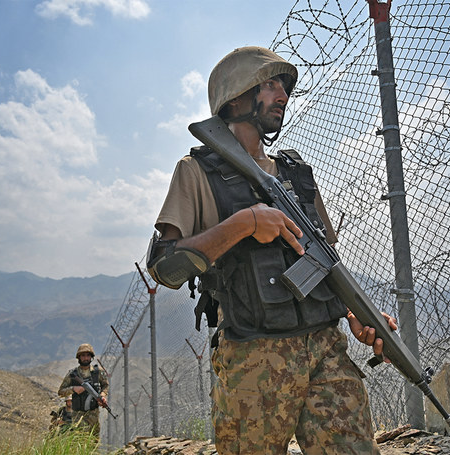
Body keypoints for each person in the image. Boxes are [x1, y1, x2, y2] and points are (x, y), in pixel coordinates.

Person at [147, 46, 397, 455]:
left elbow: (322, 260)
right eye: (269, 84)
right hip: (253, 358)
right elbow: (165, 268)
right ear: (235, 98)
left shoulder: (296, 174)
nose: (282, 95)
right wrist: (244, 223)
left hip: (326, 351)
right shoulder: (196, 172)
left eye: (283, 86)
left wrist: (354, 312)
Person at [58, 343, 109, 436]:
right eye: (83, 355)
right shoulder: (73, 374)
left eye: (88, 355)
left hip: (93, 414)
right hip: (78, 414)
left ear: (91, 357)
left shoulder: (97, 372)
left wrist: (102, 396)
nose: (85, 358)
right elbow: (61, 392)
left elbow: (105, 386)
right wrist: (73, 389)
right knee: (80, 439)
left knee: (94, 441)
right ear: (79, 357)